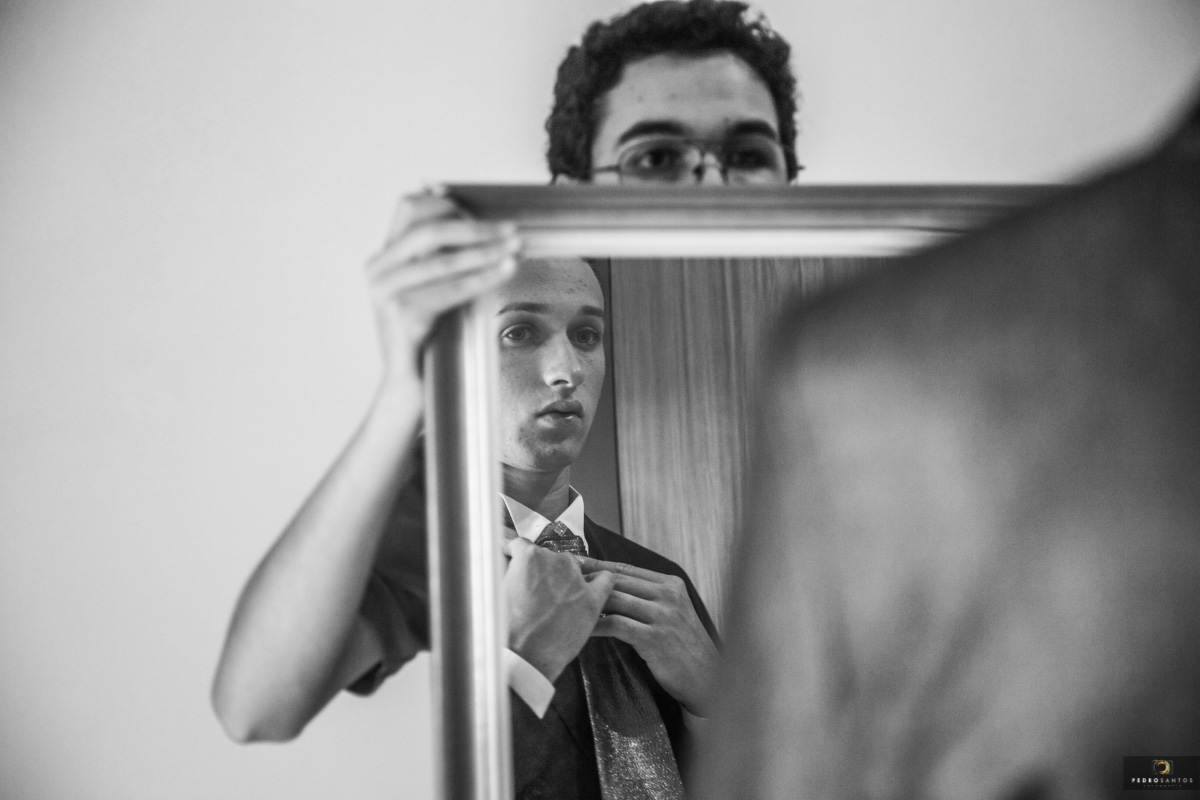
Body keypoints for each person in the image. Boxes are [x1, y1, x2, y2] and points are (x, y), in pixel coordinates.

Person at [212, 1, 799, 796]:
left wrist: (716, 699)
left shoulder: (659, 583)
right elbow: (254, 710)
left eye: (588, 335)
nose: (566, 372)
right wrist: (518, 658)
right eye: (520, 333)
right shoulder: (425, 547)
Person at [692, 94, 1200, 799]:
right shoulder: (868, 363)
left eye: (748, 155)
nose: (708, 182)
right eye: (657, 158)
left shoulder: (865, 360)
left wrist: (701, 681)